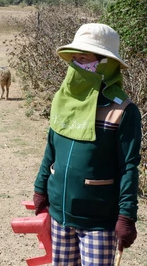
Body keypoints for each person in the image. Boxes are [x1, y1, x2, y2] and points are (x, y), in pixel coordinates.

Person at [33, 23, 141, 266]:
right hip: (60, 216)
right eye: (75, 59)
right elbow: (51, 148)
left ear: (105, 63)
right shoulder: (64, 99)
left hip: (98, 221)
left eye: (85, 59)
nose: (77, 65)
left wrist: (126, 216)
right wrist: (41, 187)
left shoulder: (123, 110)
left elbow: (128, 167)